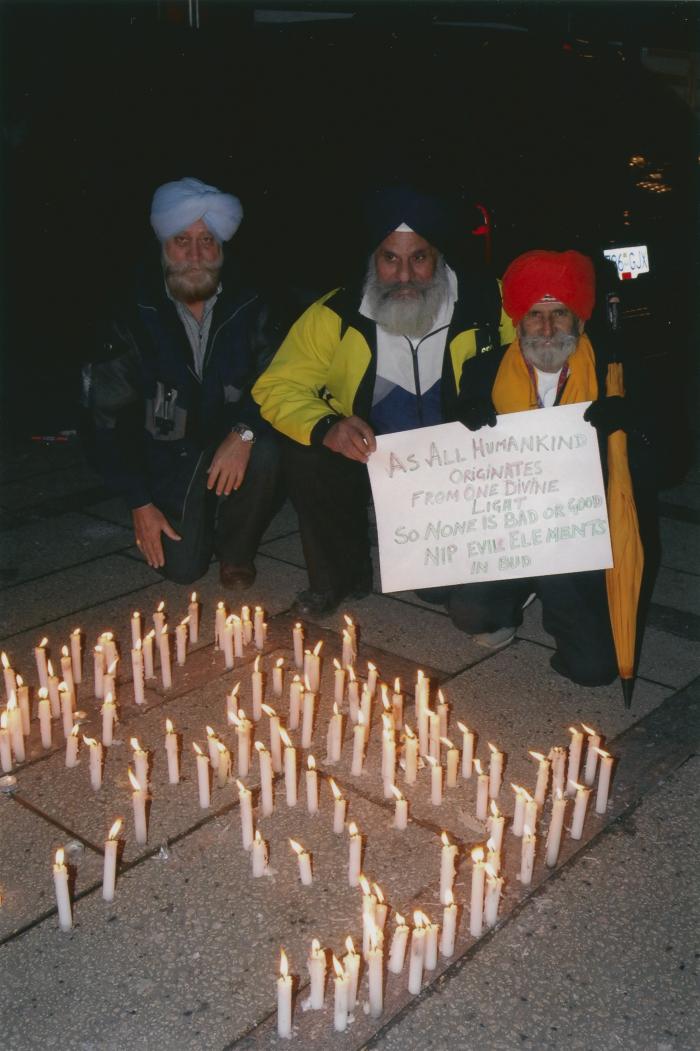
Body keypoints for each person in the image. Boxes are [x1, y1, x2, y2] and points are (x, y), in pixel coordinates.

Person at [253, 186, 515, 615]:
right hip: (372, 459)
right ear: (373, 259)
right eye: (390, 258)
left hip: (466, 474)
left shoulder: (489, 301)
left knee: (439, 592)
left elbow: (544, 362)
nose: (405, 275)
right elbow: (276, 387)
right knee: (307, 453)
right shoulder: (336, 314)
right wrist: (326, 426)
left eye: (419, 257)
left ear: (439, 256)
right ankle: (339, 576)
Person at [448, 248, 658, 686]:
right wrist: (462, 422)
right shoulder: (483, 370)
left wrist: (629, 426)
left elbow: (672, 462)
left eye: (559, 313)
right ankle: (520, 589)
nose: (545, 328)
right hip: (508, 527)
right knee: (470, 614)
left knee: (594, 670)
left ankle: (557, 595)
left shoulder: (616, 373)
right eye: (534, 315)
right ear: (517, 321)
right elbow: (454, 465)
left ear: (579, 319)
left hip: (578, 535)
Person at [83, 177, 282, 588]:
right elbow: (105, 417)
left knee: (268, 448)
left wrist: (244, 432)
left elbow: (277, 376)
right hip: (168, 460)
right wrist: (139, 500)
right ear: (162, 246)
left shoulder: (251, 301)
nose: (195, 255)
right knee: (182, 570)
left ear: (222, 248)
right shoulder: (130, 311)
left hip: (232, 439)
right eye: (182, 241)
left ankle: (236, 549)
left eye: (207, 240)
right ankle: (196, 521)